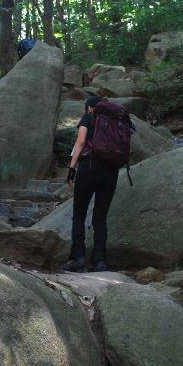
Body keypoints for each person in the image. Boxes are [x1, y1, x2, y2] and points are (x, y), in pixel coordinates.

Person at [64, 95, 119, 273]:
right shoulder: (117, 122)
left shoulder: (89, 117)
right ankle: (99, 261)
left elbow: (80, 142)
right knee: (100, 218)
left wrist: (71, 168)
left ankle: (78, 258)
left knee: (79, 214)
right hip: (110, 172)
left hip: (89, 169)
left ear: (89, 108)